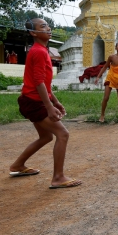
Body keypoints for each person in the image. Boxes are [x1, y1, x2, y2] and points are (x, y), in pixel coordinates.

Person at [9, 19, 82, 189]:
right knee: (62, 134)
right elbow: (39, 82)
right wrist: (49, 106)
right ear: (33, 33)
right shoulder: (39, 52)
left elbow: (45, 84)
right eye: (43, 27)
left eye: (48, 26)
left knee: (46, 137)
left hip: (33, 100)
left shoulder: (41, 50)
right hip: (34, 102)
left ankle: (17, 166)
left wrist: (55, 102)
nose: (48, 29)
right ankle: (58, 177)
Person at [94, 42, 118, 122]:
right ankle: (102, 115)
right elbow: (105, 67)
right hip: (110, 79)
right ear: (116, 48)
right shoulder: (111, 57)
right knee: (106, 97)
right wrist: (98, 77)